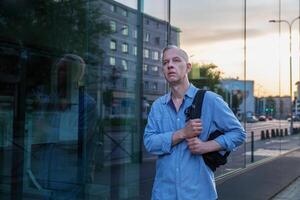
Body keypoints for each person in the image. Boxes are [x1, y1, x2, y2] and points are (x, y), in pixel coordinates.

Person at [144, 45, 246, 200]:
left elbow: (238, 133)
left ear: (188, 67)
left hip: (199, 194)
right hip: (163, 194)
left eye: (176, 60)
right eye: (165, 63)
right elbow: (149, 143)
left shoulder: (210, 100)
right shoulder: (158, 106)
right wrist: (182, 133)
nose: (170, 65)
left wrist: (206, 146)